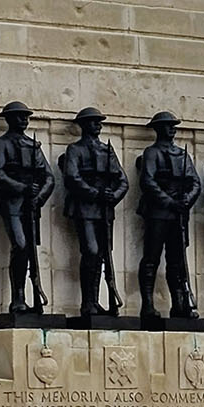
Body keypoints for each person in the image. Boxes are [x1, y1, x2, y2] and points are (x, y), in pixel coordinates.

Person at [0, 100, 56, 314]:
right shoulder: (2, 144)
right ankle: (17, 297)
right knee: (20, 245)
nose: (24, 120)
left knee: (29, 250)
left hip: (31, 205)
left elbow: (49, 177)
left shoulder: (33, 145)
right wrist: (21, 188)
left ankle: (29, 296)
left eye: (26, 116)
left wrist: (40, 196)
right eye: (19, 116)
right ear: (9, 119)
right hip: (11, 202)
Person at [59, 106, 128, 317]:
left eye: (99, 121)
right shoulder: (75, 150)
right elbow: (72, 177)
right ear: (83, 125)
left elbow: (123, 180)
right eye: (93, 121)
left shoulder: (107, 150)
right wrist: (95, 193)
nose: (97, 125)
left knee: (102, 255)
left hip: (105, 209)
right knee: (90, 251)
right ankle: (87, 302)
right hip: (85, 207)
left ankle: (95, 302)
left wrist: (114, 195)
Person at [135, 111, 202, 320]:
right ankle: (147, 305)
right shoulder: (152, 153)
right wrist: (169, 201)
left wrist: (187, 200)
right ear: (158, 129)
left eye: (174, 125)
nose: (172, 129)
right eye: (168, 125)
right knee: (151, 258)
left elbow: (195, 182)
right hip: (158, 212)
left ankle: (180, 304)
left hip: (179, 213)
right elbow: (148, 181)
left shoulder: (182, 155)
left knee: (177, 260)